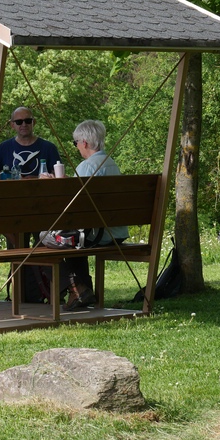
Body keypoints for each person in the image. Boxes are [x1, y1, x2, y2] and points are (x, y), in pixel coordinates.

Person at [61, 119, 130, 310]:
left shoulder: (87, 166)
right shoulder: (112, 164)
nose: (77, 148)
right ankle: (82, 291)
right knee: (71, 239)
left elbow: (72, 207)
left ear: (83, 142)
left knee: (48, 239)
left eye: (76, 144)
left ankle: (79, 289)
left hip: (99, 234)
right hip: (116, 231)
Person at [0, 106, 62, 178]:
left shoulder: (49, 148)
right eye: (19, 122)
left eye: (28, 121)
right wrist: (12, 177)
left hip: (41, 188)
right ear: (12, 125)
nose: (24, 124)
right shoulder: (3, 148)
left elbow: (59, 177)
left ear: (33, 122)